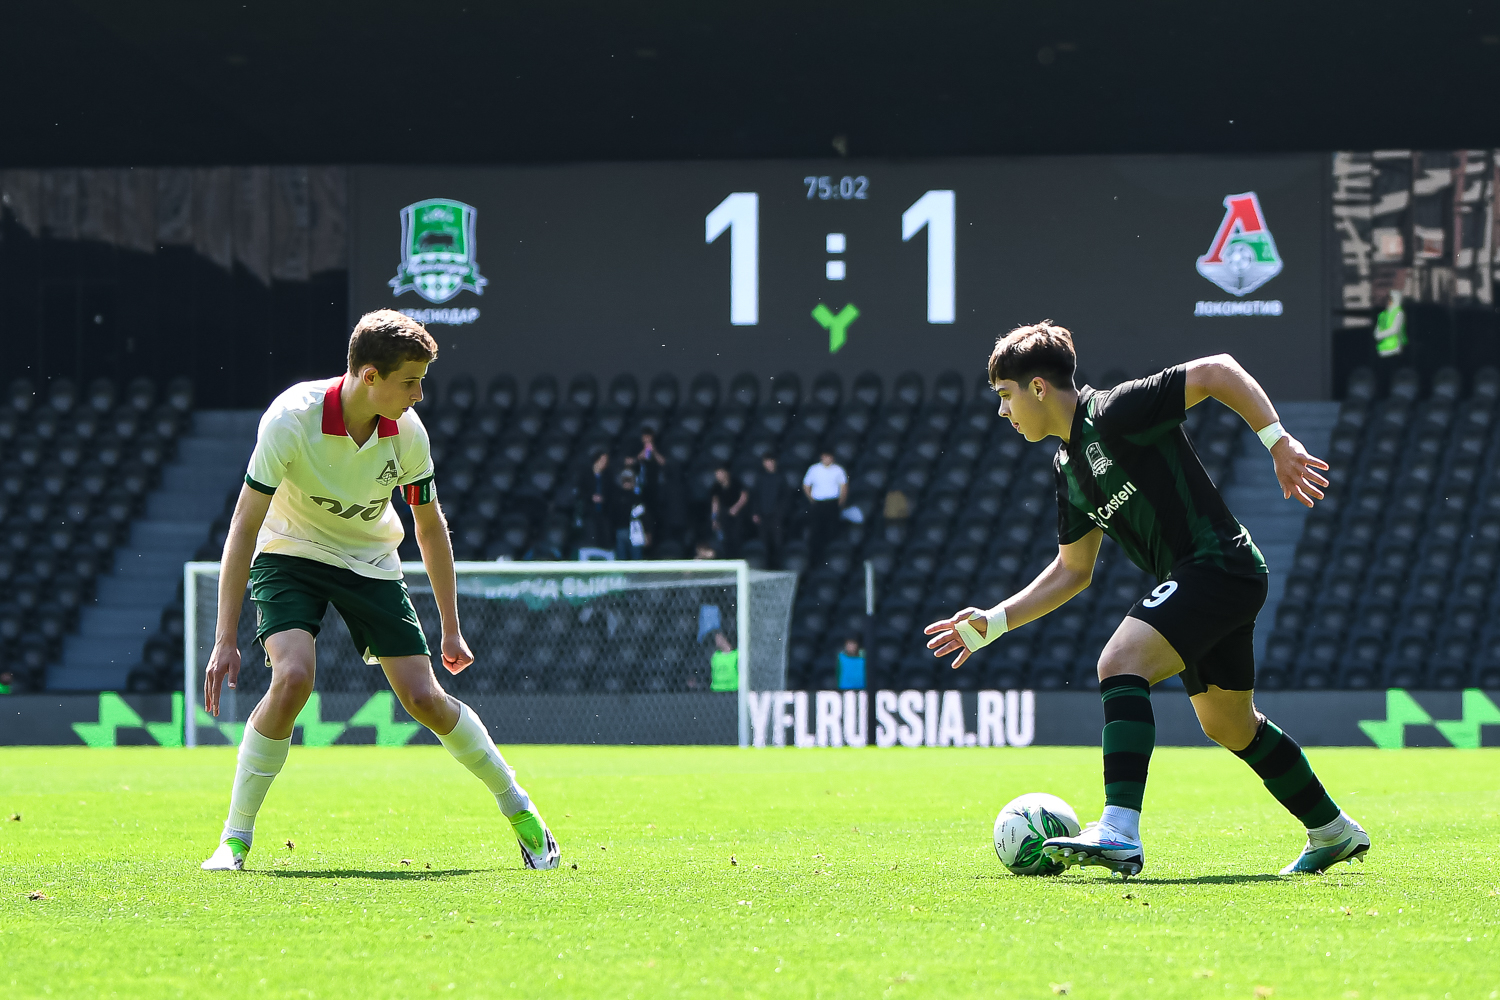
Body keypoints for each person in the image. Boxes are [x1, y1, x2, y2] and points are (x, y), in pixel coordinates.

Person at [924, 321, 1368, 878]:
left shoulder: (1115, 411)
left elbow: (1217, 370)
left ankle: (1119, 829)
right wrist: (991, 622)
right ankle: (1332, 830)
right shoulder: (1067, 468)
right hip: (1214, 577)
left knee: (1119, 662)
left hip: (1217, 564)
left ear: (1038, 387)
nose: (1002, 410)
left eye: (1005, 394)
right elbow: (1072, 571)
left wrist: (1278, 441)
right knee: (1228, 725)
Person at [199, 310, 560, 873]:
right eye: (410, 381)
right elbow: (245, 524)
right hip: (291, 553)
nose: (419, 395)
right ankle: (235, 838)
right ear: (370, 376)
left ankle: (520, 809)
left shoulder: (407, 433)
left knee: (424, 699)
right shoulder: (291, 418)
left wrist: (451, 627)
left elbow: (429, 526)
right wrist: (225, 638)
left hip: (371, 561)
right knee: (292, 678)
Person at [802, 450, 847, 566]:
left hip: (832, 503)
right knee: (816, 533)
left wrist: (840, 502)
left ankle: (831, 561)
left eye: (829, 456)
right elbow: (806, 485)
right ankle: (816, 561)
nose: (827, 458)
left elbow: (844, 487)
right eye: (825, 456)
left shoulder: (838, 470)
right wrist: (812, 499)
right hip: (818, 504)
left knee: (831, 532)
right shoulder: (814, 469)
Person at [749, 454, 790, 569]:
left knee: (777, 542)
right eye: (766, 462)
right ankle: (766, 567)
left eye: (771, 461)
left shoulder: (781, 478)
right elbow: (756, 496)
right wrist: (755, 513)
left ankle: (778, 567)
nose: (769, 464)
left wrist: (780, 514)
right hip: (763, 516)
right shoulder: (760, 478)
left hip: (776, 517)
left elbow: (785, 498)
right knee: (763, 543)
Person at [612, 469, 652, 560]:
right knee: (625, 560)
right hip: (624, 531)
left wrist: (647, 533)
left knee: (634, 560)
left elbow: (644, 517)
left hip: (635, 531)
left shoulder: (636, 498)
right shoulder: (619, 498)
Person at [709, 465, 749, 557]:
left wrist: (736, 508)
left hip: (736, 514)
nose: (718, 476)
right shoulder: (716, 486)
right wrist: (714, 518)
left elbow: (744, 497)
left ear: (726, 473)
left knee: (736, 537)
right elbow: (715, 502)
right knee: (724, 539)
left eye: (720, 473)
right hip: (723, 514)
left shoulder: (736, 483)